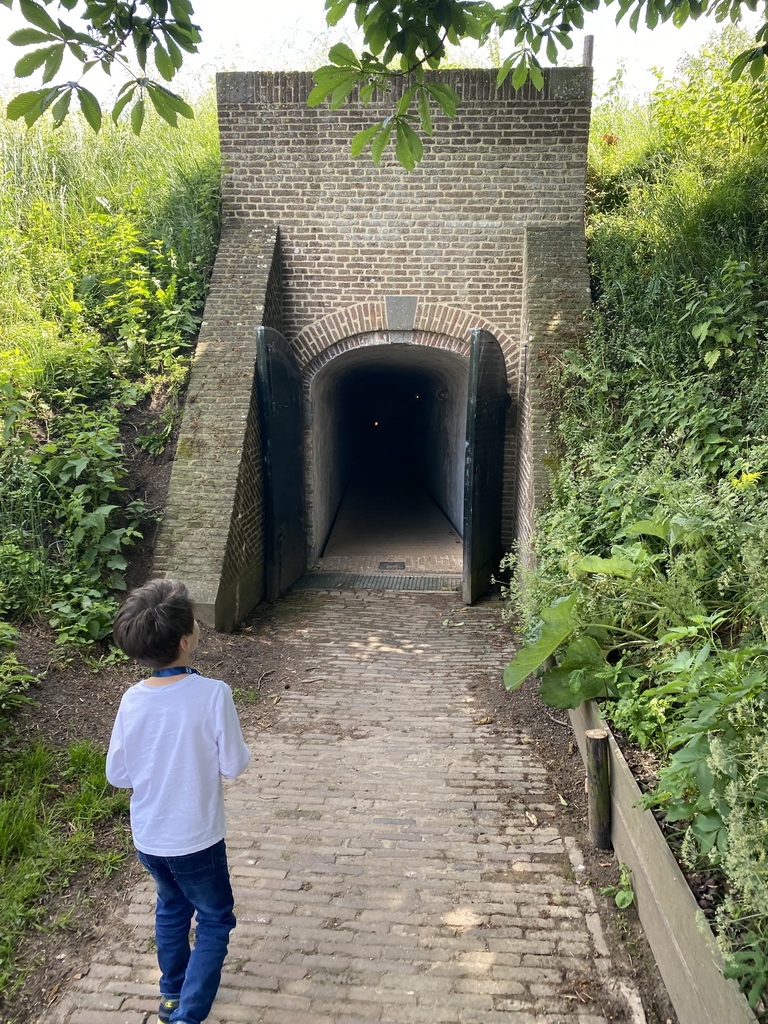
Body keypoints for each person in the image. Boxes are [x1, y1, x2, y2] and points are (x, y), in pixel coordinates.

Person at [106, 579, 250, 1024]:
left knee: (171, 906)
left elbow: (118, 773)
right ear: (186, 640)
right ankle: (188, 1013)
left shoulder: (132, 699)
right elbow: (234, 765)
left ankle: (170, 994)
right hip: (197, 838)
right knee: (215, 918)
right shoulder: (212, 694)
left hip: (150, 837)